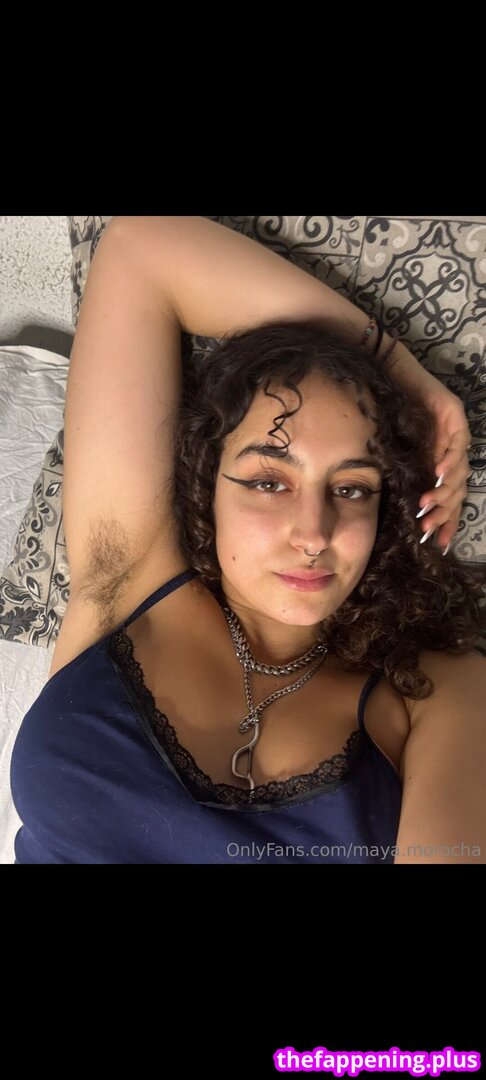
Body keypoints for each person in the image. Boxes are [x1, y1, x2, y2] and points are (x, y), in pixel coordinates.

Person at [9, 216, 486, 864]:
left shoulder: (436, 693)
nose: (313, 534)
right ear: (208, 484)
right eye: (267, 482)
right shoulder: (126, 580)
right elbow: (138, 251)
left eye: (352, 489)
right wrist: (399, 372)